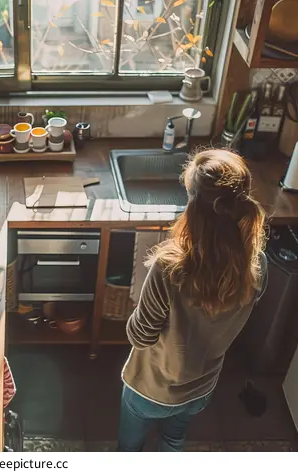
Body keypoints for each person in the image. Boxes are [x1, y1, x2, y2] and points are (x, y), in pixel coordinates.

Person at [118, 149, 268, 452]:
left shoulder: (169, 267)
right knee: (173, 441)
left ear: (193, 206)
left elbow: (140, 336)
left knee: (129, 450)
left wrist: (138, 309)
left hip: (151, 388)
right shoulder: (258, 264)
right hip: (201, 388)